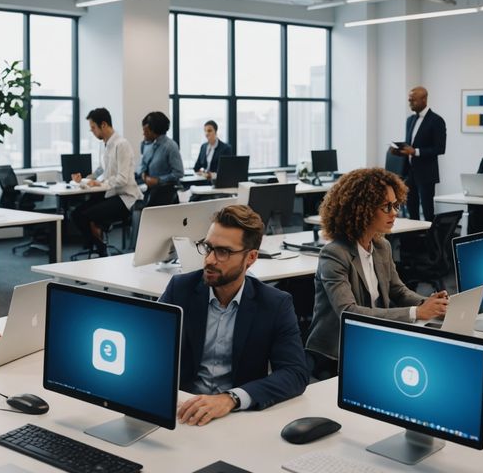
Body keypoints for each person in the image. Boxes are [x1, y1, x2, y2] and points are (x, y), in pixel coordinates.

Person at [159, 205, 311, 426]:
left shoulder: (275, 304)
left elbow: (295, 373)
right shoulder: (180, 289)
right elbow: (148, 347)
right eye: (208, 247)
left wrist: (231, 399)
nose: (210, 259)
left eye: (223, 252)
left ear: (250, 258)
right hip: (183, 410)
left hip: (238, 417)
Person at [305, 168, 448, 380]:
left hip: (373, 340)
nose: (394, 212)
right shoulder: (334, 254)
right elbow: (349, 313)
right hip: (336, 353)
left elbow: (397, 290)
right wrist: (416, 313)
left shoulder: (381, 246)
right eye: (386, 206)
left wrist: (429, 304)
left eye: (395, 204)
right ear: (362, 209)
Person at [70, 108, 143, 257]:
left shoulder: (121, 145)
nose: (92, 132)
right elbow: (101, 169)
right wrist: (85, 177)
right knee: (76, 214)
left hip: (125, 197)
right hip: (111, 193)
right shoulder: (106, 144)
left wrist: (99, 184)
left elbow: (122, 179)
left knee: (87, 215)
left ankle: (99, 250)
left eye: (93, 128)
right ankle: (97, 246)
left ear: (103, 125)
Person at [395, 86, 446, 221]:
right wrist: (399, 151)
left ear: (424, 99)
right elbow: (409, 145)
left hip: (427, 173)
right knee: (412, 210)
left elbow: (440, 148)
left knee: (428, 211)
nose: (410, 103)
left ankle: (429, 241)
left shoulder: (436, 120)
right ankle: (414, 240)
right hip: (410, 173)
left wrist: (415, 151)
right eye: (409, 100)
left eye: (413, 100)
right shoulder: (410, 120)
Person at [136, 111, 183, 189]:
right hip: (146, 188)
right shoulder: (145, 144)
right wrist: (143, 174)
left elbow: (178, 173)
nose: (143, 134)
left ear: (154, 131)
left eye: (146, 131)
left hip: (164, 192)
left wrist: (158, 180)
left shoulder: (170, 146)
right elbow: (142, 165)